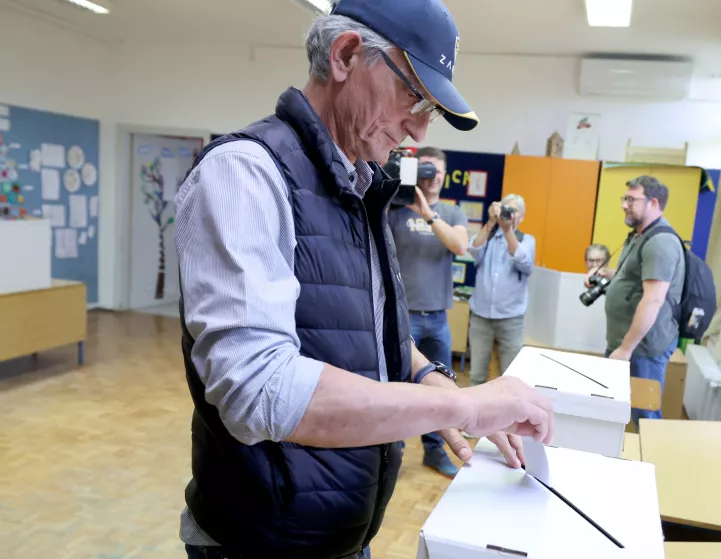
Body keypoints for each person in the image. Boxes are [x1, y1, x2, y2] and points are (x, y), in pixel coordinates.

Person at [173, 2, 555, 558]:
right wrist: (465, 407)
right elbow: (255, 388)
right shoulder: (246, 174)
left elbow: (367, 334)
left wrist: (432, 379)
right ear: (347, 55)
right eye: (414, 96)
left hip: (341, 536)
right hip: (261, 543)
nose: (420, 127)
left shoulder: (360, 188)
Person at [388, 146, 469, 477]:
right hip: (399, 318)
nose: (432, 176)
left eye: (437, 171)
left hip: (437, 317)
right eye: (425, 169)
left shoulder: (451, 214)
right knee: (393, 387)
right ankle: (391, 451)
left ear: (444, 176)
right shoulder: (394, 209)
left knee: (440, 389)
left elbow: (460, 245)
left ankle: (434, 451)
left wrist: (427, 213)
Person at [592, 175, 685, 422]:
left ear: (653, 203)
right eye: (625, 198)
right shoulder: (639, 235)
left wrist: (625, 349)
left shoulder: (661, 242)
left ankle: (649, 460)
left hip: (642, 348)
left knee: (645, 414)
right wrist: (607, 274)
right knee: (615, 410)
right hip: (627, 344)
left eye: (631, 199)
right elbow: (635, 277)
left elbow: (654, 299)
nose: (624, 204)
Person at [466, 195, 536, 387]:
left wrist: (508, 232)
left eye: (513, 210)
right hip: (481, 316)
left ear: (521, 216)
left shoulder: (527, 240)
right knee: (477, 376)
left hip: (511, 319)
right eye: (505, 208)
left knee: (511, 377)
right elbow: (473, 249)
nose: (507, 213)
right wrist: (490, 222)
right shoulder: (489, 236)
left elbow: (525, 263)